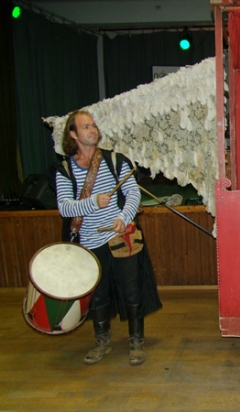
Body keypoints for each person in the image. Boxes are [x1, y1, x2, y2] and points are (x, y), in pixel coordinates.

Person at [54, 110, 162, 366]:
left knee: (132, 292)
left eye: (93, 125)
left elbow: (133, 193)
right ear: (73, 134)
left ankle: (136, 342)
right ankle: (102, 342)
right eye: (85, 127)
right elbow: (64, 207)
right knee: (98, 296)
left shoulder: (115, 160)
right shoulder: (65, 169)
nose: (92, 130)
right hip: (90, 243)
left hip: (121, 237)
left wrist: (124, 217)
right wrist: (93, 202)